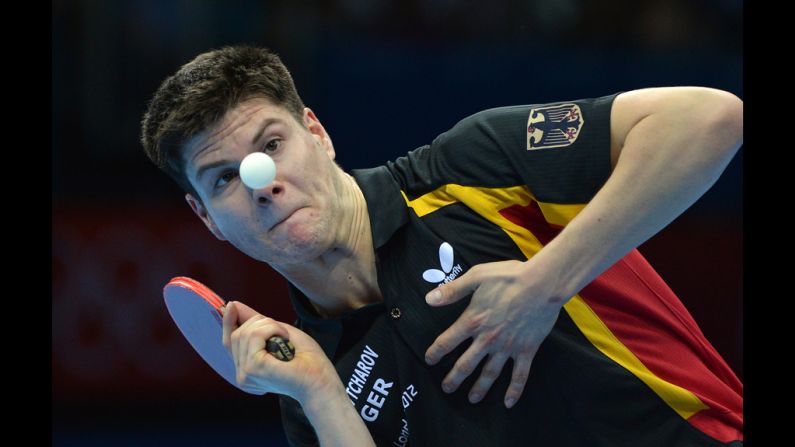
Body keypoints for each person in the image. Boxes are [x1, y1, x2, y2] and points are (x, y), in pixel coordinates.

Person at [140, 45, 743, 446]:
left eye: (270, 144)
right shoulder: (303, 381)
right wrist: (322, 395)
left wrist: (547, 282)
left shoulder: (470, 169)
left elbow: (710, 121)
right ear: (207, 218)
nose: (261, 185)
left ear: (317, 133)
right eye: (224, 179)